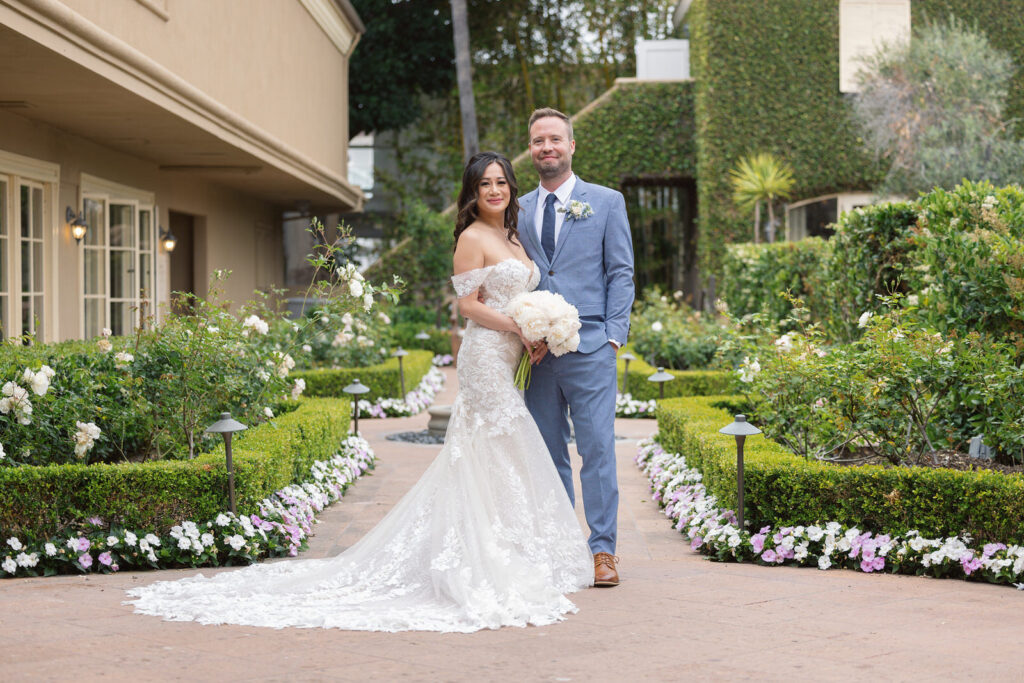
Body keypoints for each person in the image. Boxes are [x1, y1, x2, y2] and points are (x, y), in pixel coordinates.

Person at [125, 151, 593, 633]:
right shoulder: (471, 238)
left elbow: (518, 296)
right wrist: (520, 327)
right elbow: (468, 307)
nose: (494, 191)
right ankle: (485, 554)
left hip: (511, 352)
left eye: (501, 182)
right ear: (472, 193)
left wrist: (535, 331)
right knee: (498, 441)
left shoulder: (514, 235)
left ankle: (506, 543)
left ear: (511, 187)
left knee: (498, 449)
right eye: (484, 184)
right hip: (485, 357)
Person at [517, 108, 635, 587]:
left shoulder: (606, 202)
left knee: (598, 450)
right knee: (548, 454)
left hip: (591, 347)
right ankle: (562, 547)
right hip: (536, 355)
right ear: (530, 149)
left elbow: (620, 271)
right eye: (538, 141)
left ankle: (603, 551)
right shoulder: (517, 208)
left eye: (554, 139)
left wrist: (613, 335)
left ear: (571, 145)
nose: (546, 147)